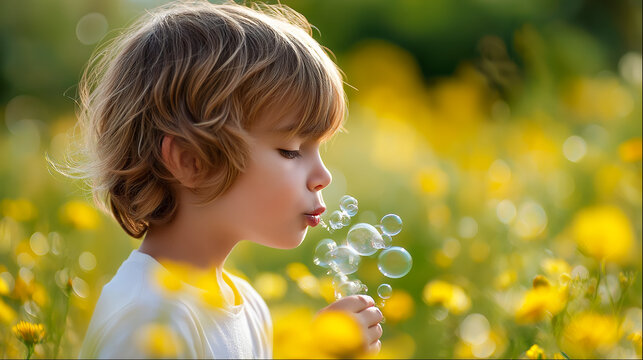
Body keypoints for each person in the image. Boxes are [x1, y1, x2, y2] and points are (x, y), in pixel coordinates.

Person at [71, 0, 383, 358]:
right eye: (290, 150)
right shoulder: (147, 320)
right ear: (192, 162)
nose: (323, 176)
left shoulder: (248, 305)